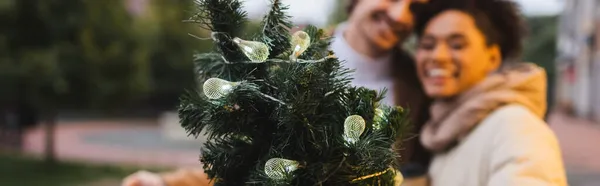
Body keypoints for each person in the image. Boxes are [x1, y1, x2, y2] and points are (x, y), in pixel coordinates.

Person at [122, 0, 432, 185]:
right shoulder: (286, 59)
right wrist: (167, 182)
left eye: (415, 6)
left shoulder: (420, 86)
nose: (401, 15)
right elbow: (245, 163)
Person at [412, 0, 567, 185]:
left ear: (493, 58)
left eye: (457, 45)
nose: (438, 56)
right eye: (428, 45)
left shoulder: (515, 127)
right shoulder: (446, 129)